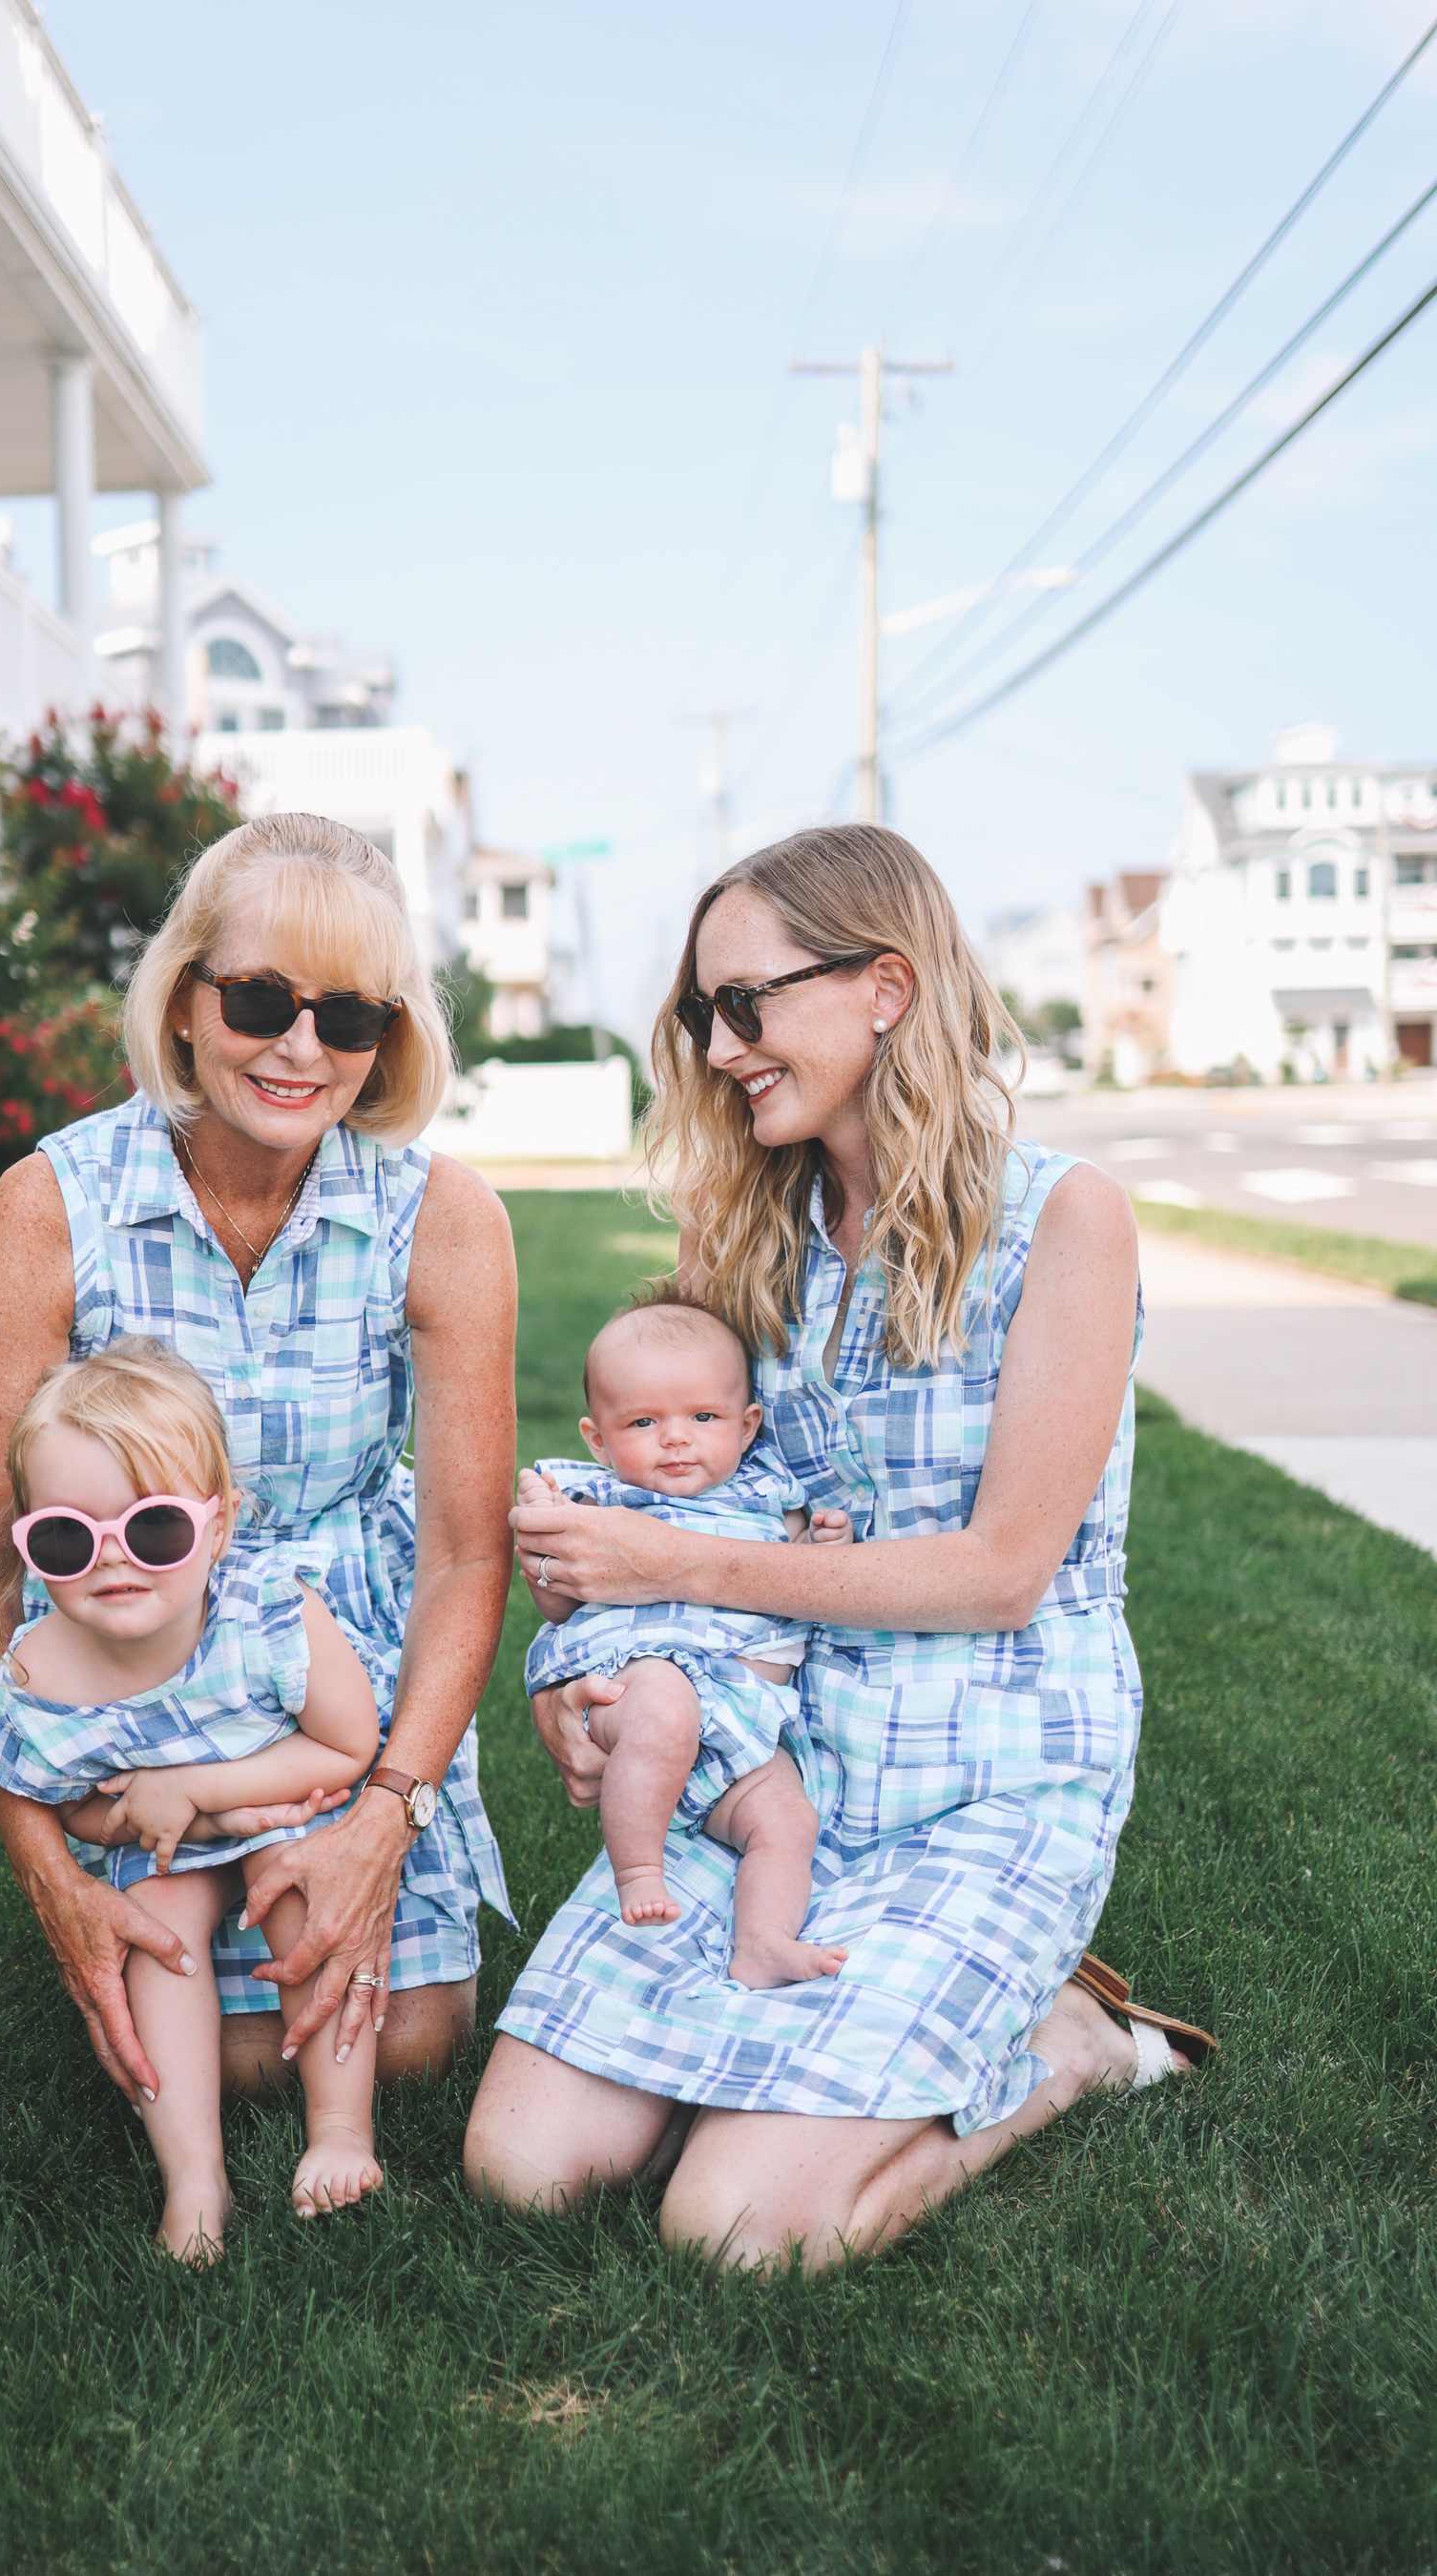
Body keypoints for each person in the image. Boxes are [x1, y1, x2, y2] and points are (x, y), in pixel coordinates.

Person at [467, 822, 1217, 2273]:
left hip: (984, 1779)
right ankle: (808, 2062)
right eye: (703, 1014)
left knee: (740, 2231)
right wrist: (573, 1680)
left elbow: (1002, 1570)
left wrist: (665, 1571)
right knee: (521, 2172)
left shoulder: (1065, 1220)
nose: (723, 1045)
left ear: (885, 987)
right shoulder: (748, 1232)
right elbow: (665, 1506)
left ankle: (1067, 2041)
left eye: (748, 1004)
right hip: (772, 1773)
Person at [0, 811, 517, 2131]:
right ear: (187, 1001)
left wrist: (384, 1811)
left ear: (390, 1040)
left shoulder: (446, 1216)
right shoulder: (50, 1201)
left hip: (342, 1694)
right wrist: (50, 1871)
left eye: (349, 1018)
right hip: (133, 1672)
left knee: (406, 2044)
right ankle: (147, 1903)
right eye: (259, 999)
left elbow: (468, 1555)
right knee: (202, 2051)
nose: (301, 1048)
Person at [0, 1338, 385, 2253]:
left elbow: (348, 1745)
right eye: (67, 1538)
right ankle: (194, 2178)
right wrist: (132, 1817)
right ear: (31, 1543)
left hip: (282, 1804)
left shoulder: (269, 1614)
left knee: (305, 1892)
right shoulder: (40, 1674)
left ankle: (341, 2129)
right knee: (155, 1932)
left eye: (154, 1529)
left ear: (220, 1525)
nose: (113, 1562)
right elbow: (52, 1798)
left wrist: (201, 1792)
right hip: (160, 1847)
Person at [522, 1295, 853, 1984]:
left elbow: (812, 1579)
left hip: (745, 1728)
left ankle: (762, 1942)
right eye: (644, 1422)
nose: (676, 1438)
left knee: (787, 1823)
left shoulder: (769, 1493)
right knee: (665, 1711)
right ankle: (640, 1869)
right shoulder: (596, 1496)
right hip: (645, 1681)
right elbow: (557, 1601)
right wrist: (544, 1532)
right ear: (597, 1439)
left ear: (747, 1424)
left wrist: (825, 1544)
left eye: (703, 1418)